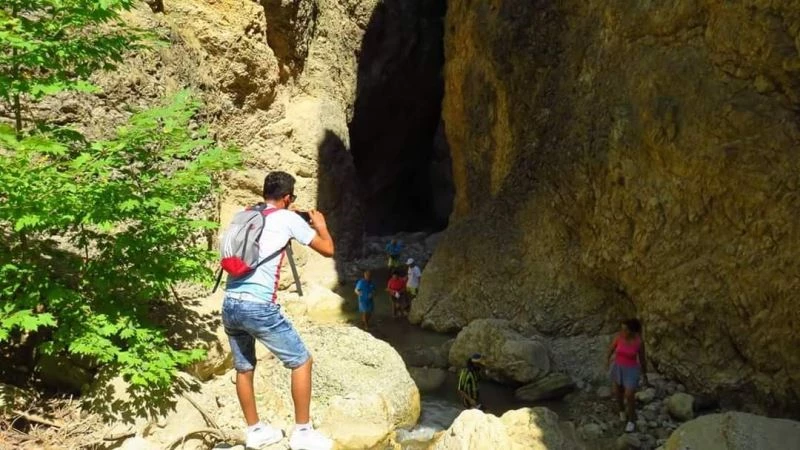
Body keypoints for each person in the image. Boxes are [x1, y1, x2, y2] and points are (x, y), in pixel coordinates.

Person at [223, 171, 335, 450]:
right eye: (291, 198)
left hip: (230, 302)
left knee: (244, 367)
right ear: (286, 197)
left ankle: (255, 431)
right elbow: (328, 250)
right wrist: (321, 225)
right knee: (301, 362)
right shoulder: (287, 219)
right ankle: (303, 432)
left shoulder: (246, 213)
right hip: (258, 306)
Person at [606, 318, 648, 433]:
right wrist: (607, 361)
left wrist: (645, 374)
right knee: (617, 392)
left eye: (625, 329)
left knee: (629, 395)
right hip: (618, 367)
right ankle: (622, 411)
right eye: (622, 329)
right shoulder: (619, 337)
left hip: (631, 370)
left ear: (632, 331)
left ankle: (632, 420)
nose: (623, 331)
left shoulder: (639, 342)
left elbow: (642, 359)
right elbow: (611, 349)